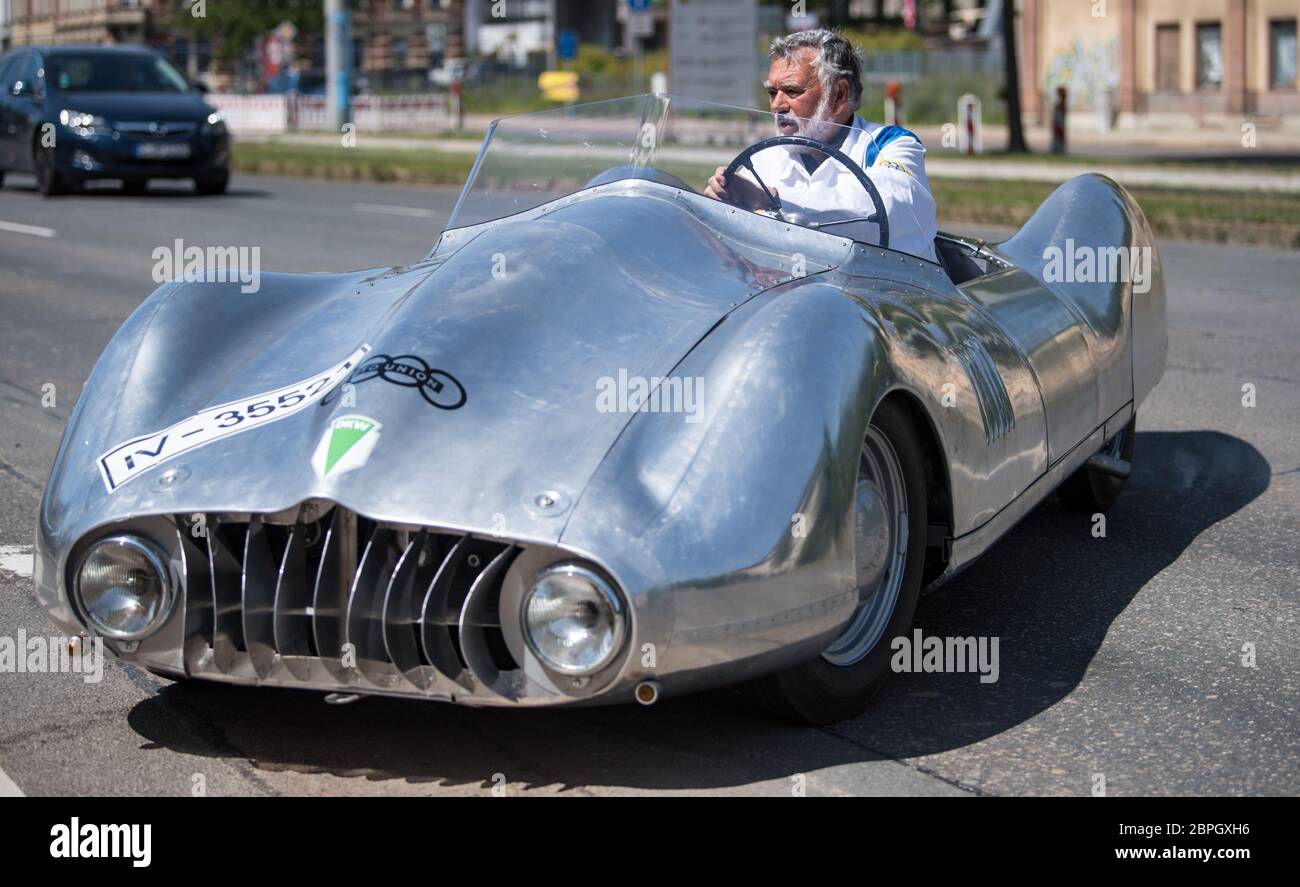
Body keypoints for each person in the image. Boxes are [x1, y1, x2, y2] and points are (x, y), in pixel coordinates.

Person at [704, 29, 939, 263]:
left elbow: (884, 205)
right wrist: (719, 207)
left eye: (792, 91)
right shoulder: (762, 159)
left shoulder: (890, 144)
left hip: (894, 294)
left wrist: (768, 200)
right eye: (772, 92)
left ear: (839, 94)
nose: (777, 105)